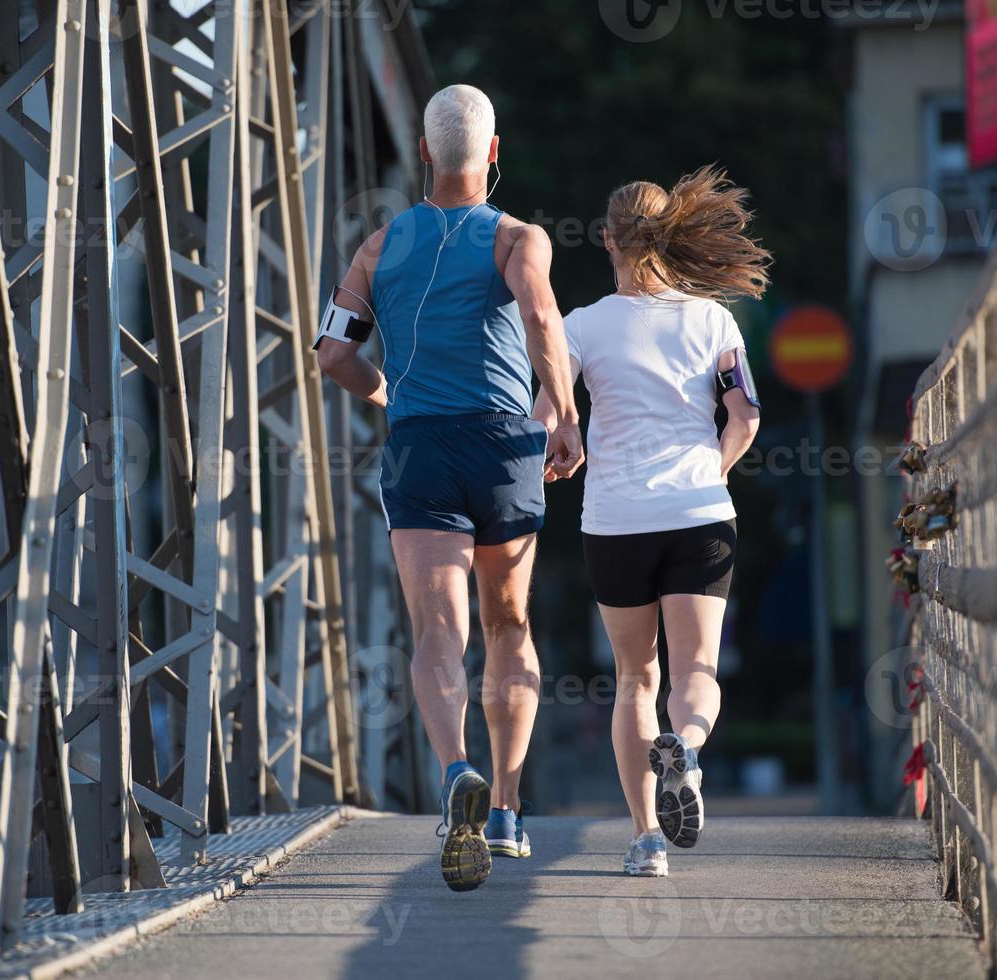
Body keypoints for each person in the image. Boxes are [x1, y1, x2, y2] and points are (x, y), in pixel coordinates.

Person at [315, 84, 583, 891]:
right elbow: (540, 322)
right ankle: (503, 808)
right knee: (508, 623)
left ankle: (455, 771)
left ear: (425, 153)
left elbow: (331, 355)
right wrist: (565, 416)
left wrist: (389, 395)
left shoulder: (377, 246)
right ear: (493, 153)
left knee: (438, 632)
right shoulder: (517, 238)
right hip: (503, 446)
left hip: (420, 447)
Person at [532, 167, 769, 878]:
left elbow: (546, 418)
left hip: (614, 521)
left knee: (636, 677)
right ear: (670, 235)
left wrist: (560, 444)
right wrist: (712, 472)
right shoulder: (713, 319)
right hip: (698, 513)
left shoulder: (579, 327)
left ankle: (645, 842)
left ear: (606, 239)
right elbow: (746, 415)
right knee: (695, 670)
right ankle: (686, 750)